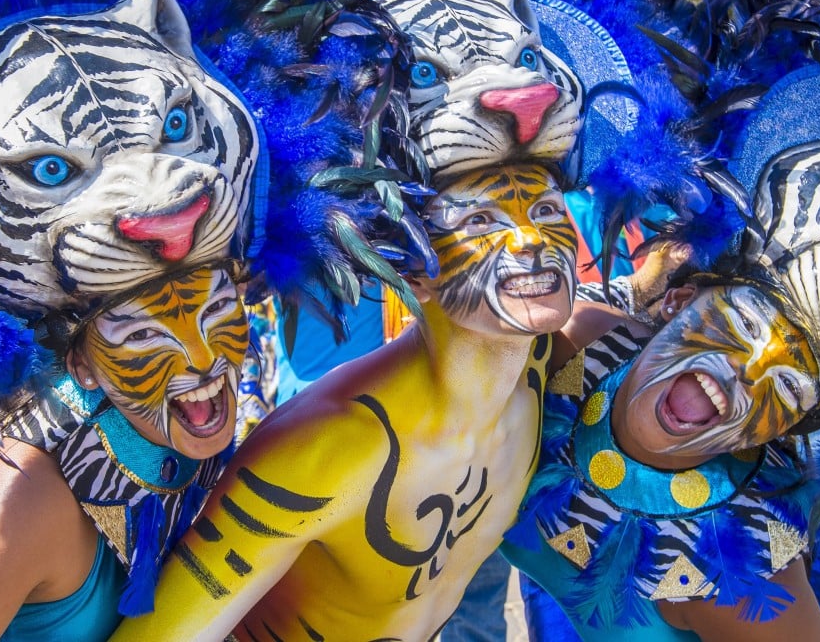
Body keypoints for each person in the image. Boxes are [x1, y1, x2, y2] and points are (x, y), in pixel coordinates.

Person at [111, 162, 579, 640]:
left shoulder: (549, 364)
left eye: (545, 210)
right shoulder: (326, 448)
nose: (529, 239)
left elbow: (643, 332)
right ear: (412, 272)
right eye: (479, 220)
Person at [502, 269, 820, 641]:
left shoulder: (738, 565)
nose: (746, 371)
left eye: (789, 384)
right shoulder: (584, 350)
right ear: (677, 302)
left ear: (782, 428)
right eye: (743, 322)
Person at [0, 265, 249, 640]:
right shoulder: (25, 495)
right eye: (143, 333)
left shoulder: (178, 427)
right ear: (82, 365)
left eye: (215, 307)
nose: (202, 359)